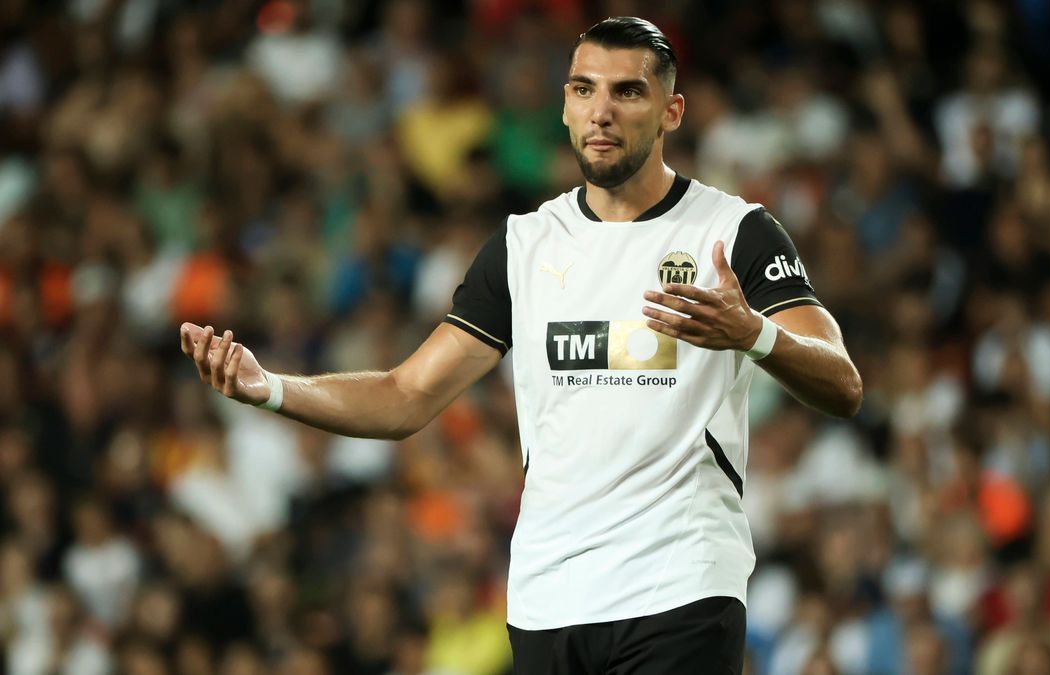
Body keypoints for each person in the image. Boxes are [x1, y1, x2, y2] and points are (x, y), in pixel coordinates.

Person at [181, 17, 862, 675]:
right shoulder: (522, 247)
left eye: (628, 91)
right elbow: (405, 395)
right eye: (583, 89)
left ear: (672, 111)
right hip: (549, 599)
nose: (601, 111)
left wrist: (757, 335)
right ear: (564, 106)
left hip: (679, 586)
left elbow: (843, 383)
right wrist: (268, 385)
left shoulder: (734, 232)